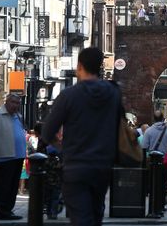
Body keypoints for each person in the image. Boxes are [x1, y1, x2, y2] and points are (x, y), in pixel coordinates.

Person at [42, 47, 122, 226]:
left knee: (81, 218)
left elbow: (47, 132)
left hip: (76, 166)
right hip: (103, 166)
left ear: (80, 66)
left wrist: (64, 148)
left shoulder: (69, 95)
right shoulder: (113, 93)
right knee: (95, 216)